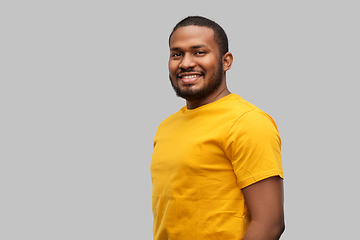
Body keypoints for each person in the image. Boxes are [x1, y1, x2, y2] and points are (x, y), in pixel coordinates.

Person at [150, 16, 285, 240]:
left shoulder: (248, 122)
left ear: (226, 61)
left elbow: (269, 224)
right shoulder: (166, 127)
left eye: (199, 52)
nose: (185, 63)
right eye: (177, 54)